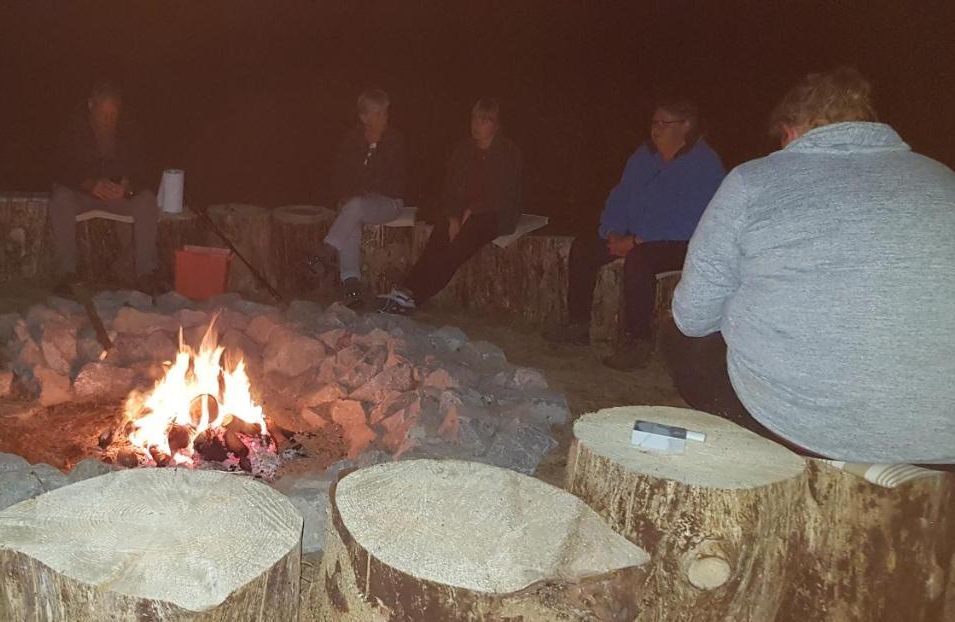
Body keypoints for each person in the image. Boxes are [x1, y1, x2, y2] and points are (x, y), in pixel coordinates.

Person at [668, 67, 955, 464]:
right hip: (939, 439)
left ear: (790, 131)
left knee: (680, 337)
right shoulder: (943, 180)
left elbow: (693, 317)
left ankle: (775, 453)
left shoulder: (754, 181)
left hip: (798, 427)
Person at [554, 99, 725, 371]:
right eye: (654, 123)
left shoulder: (703, 163)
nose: (656, 130)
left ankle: (639, 341)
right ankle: (577, 325)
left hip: (682, 240)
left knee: (640, 261)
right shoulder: (644, 156)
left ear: (686, 126)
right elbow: (621, 195)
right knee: (584, 247)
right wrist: (612, 230)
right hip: (636, 235)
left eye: (664, 123)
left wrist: (636, 241)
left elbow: (693, 219)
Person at [378, 98, 522, 315]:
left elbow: (503, 194)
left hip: (495, 215)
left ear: (496, 125)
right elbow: (450, 187)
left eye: (485, 120)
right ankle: (405, 290)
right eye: (475, 118)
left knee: (455, 250)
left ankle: (415, 297)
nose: (477, 125)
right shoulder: (463, 150)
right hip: (464, 213)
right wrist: (454, 216)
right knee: (439, 236)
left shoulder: (508, 152)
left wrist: (471, 211)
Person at [48, 81, 162, 293]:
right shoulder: (73, 129)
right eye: (103, 114)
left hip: (117, 196)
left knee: (146, 200)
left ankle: (146, 273)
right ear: (91, 105)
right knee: (61, 198)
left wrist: (128, 187)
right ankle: (66, 274)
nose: (108, 120)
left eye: (113, 114)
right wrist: (88, 183)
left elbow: (146, 169)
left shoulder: (130, 130)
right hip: (83, 194)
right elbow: (58, 167)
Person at [308, 89, 407, 308]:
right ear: (364, 117)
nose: (384, 118)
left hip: (389, 203)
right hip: (359, 203)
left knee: (355, 206)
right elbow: (340, 175)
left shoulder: (394, 141)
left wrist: (373, 153)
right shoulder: (352, 140)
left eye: (385, 113)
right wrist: (346, 194)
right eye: (378, 114)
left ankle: (327, 251)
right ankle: (351, 286)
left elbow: (390, 180)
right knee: (351, 213)